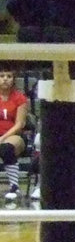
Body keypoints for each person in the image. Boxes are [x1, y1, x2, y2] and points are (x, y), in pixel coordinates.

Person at [0, 64, 30, 203]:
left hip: (13, 136)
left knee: (6, 148)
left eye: (9, 76)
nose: (5, 79)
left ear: (13, 79)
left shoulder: (19, 98)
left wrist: (3, 138)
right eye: (2, 76)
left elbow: (20, 124)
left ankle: (14, 186)